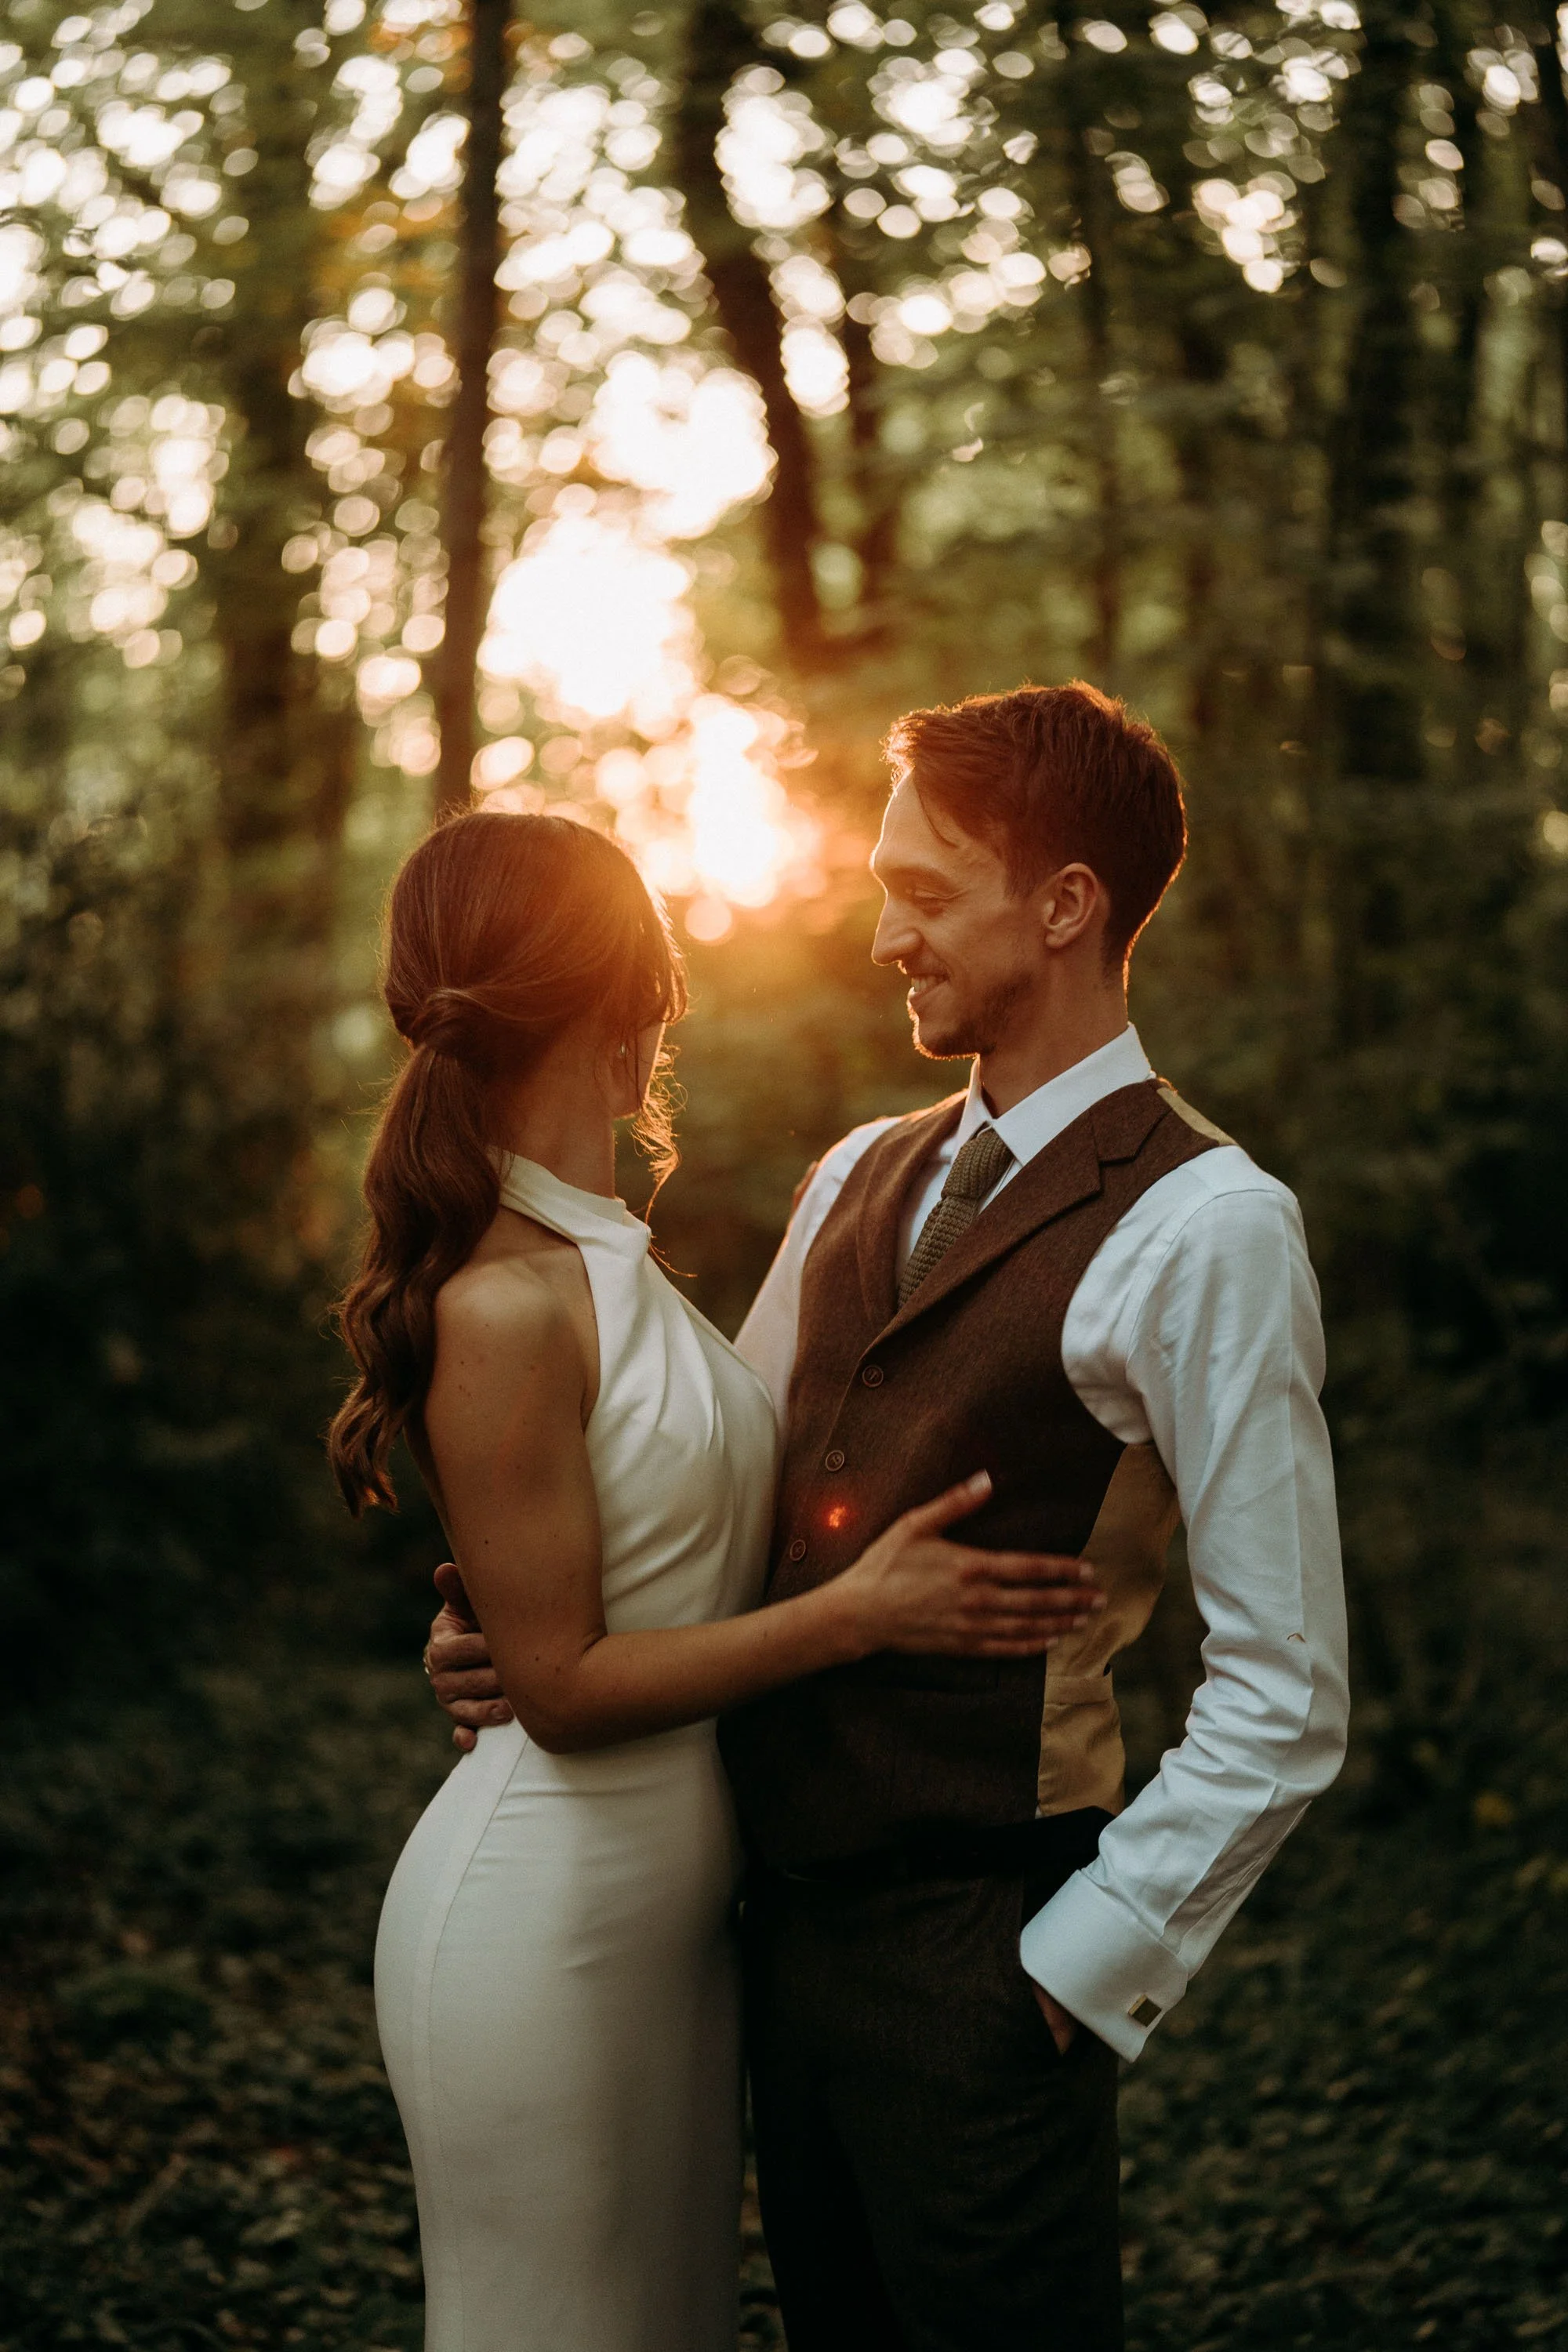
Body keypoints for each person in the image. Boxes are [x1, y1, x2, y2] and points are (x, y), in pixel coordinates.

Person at [429, 684, 1350, 2352]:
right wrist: (510, 1610)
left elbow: (1285, 1688)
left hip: (987, 1945)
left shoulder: (1211, 1223)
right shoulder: (857, 1171)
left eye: (926, 896)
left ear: (1066, 907)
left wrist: (1082, 1964)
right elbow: (730, 1498)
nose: (882, 939)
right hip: (767, 1937)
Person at [328, 808, 1105, 2352]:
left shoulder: (614, 1267)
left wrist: (487, 1617)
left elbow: (632, 1572)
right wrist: (857, 1616)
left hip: (681, 1925)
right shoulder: (499, 1305)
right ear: (627, 995)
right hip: (542, 1920)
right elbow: (558, 1689)